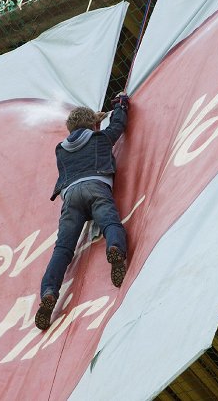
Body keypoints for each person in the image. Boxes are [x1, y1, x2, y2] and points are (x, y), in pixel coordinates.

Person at [35, 93, 130, 330]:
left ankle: (48, 291)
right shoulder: (100, 138)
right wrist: (120, 104)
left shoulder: (61, 150)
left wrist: (91, 122)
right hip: (96, 186)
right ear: (92, 124)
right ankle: (115, 248)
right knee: (110, 223)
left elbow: (80, 135)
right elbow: (118, 125)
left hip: (71, 197)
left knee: (63, 249)